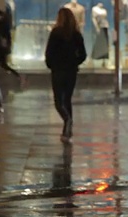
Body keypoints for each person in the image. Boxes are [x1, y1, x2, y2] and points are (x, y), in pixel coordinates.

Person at [45, 7, 87, 143]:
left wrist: (50, 64)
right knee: (67, 99)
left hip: (58, 70)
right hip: (71, 71)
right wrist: (75, 62)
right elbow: (83, 54)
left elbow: (49, 52)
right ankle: (67, 130)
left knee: (58, 101)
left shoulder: (56, 33)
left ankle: (67, 120)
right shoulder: (76, 34)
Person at [0, 9, 26, 87]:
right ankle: (18, 76)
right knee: (1, 64)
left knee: (1, 64)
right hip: (1, 47)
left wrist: (5, 45)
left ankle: (18, 76)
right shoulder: (2, 23)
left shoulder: (3, 24)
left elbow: (5, 36)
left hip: (2, 47)